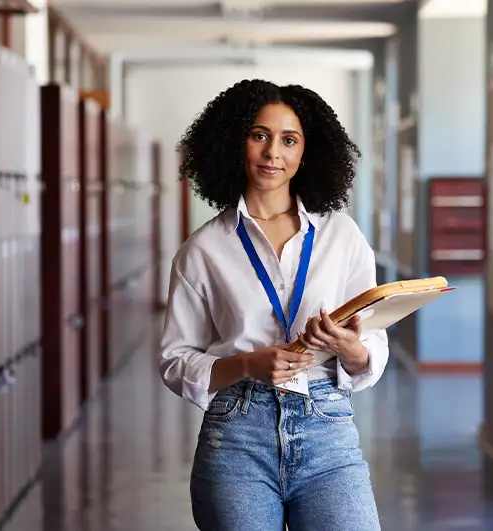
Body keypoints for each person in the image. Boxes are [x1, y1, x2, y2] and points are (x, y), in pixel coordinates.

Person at [159, 79, 388, 530]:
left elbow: (373, 336)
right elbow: (174, 359)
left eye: (289, 140)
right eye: (259, 135)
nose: (272, 153)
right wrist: (247, 364)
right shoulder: (203, 249)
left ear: (307, 151)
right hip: (237, 436)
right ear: (235, 141)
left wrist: (350, 348)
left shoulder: (341, 235)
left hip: (328, 429)